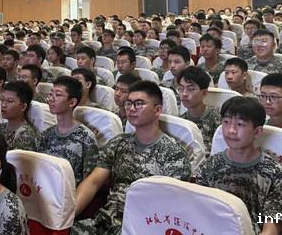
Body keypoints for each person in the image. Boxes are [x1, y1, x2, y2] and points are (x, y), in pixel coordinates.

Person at [72, 81, 191, 235]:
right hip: (105, 221)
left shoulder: (173, 154)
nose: (132, 109)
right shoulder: (118, 143)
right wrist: (68, 216)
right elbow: (93, 182)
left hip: (141, 226)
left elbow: (170, 207)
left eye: (139, 104)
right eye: (129, 103)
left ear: (157, 110)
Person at [196, 97, 282, 234]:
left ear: (257, 132)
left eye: (240, 124)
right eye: (226, 122)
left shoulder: (273, 172)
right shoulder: (208, 167)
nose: (231, 130)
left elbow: (273, 226)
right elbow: (203, 213)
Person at [37, 76, 98, 185]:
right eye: (50, 94)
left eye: (58, 95)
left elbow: (88, 181)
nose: (51, 99)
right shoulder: (45, 134)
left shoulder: (86, 137)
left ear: (72, 102)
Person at [177, 66, 221, 153]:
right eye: (181, 89)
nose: (184, 94)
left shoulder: (218, 118)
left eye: (190, 89)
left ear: (204, 93)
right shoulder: (180, 122)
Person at [0, 81, 38, 151]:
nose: (3, 105)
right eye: (2, 100)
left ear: (23, 107)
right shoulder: (1, 127)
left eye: (9, 101)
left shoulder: (26, 135)